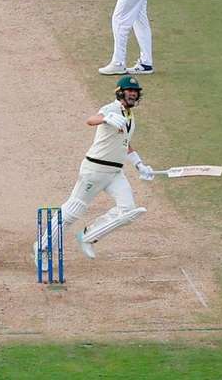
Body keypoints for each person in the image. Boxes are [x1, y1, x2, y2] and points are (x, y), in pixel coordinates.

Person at [34, 77, 153, 267]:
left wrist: (139, 164)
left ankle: (88, 236)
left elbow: (125, 143)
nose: (133, 93)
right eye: (129, 90)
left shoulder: (130, 116)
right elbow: (91, 120)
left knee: (128, 210)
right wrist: (105, 118)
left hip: (115, 172)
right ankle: (43, 247)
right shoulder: (111, 109)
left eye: (135, 91)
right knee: (73, 210)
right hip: (95, 169)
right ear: (120, 92)